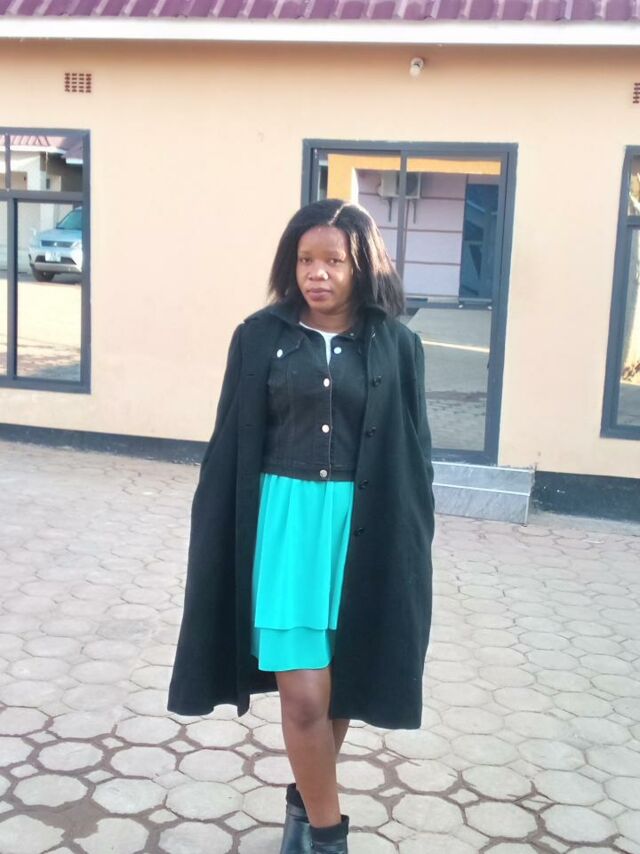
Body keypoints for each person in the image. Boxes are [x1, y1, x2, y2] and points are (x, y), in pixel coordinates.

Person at [167, 199, 435, 854]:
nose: (317, 273)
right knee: (306, 699)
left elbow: (414, 450)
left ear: (360, 266)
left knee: (340, 684)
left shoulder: (398, 345)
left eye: (333, 261)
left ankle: (303, 806)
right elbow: (229, 440)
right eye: (305, 260)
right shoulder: (259, 336)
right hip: (286, 530)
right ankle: (327, 837)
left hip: (361, 530)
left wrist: (412, 540)